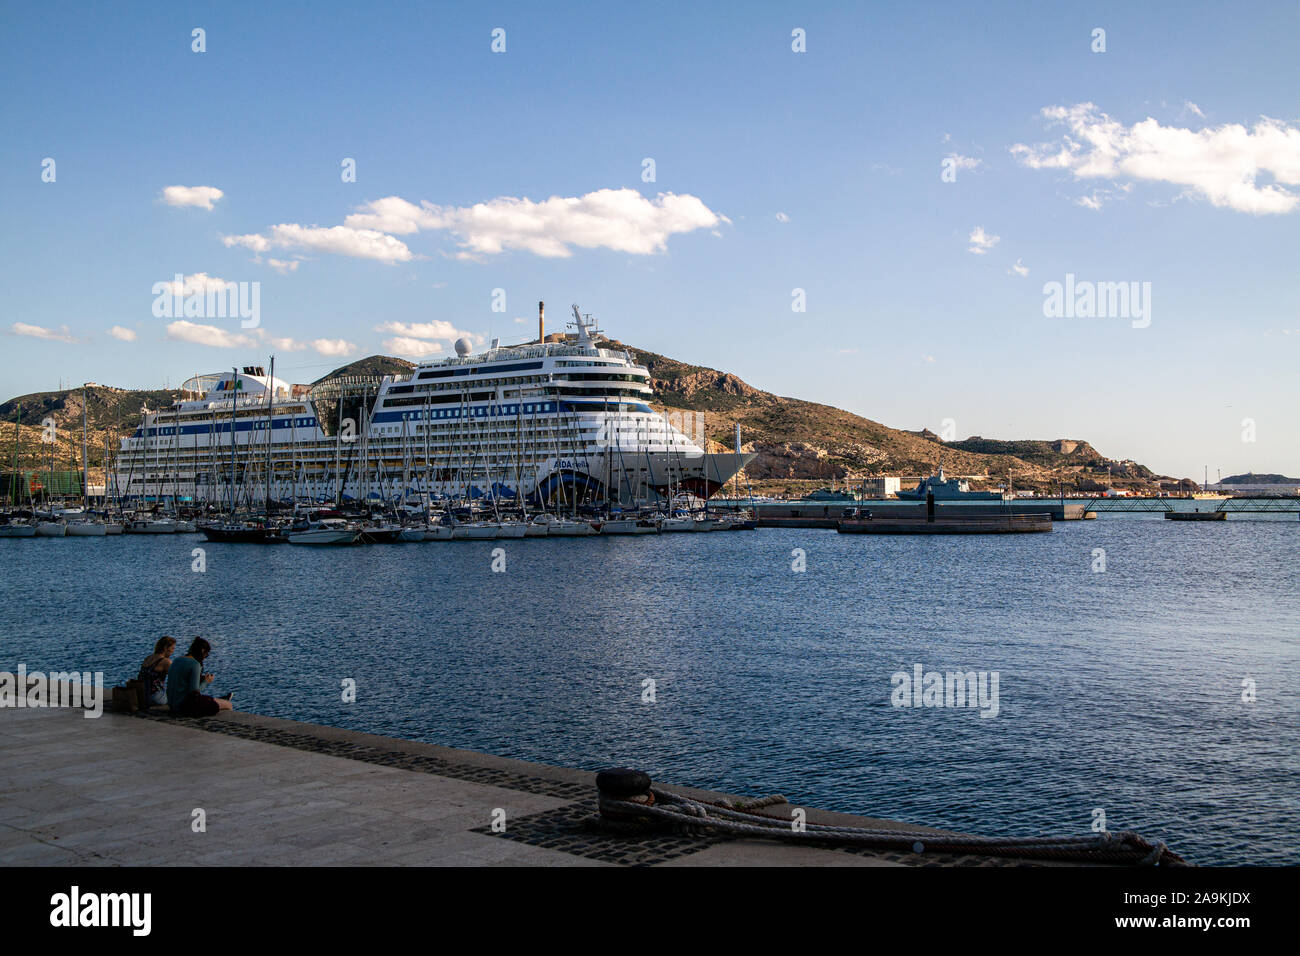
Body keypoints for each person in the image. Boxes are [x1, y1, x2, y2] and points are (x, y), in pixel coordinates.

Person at [165, 637, 234, 717]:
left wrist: (199, 678)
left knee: (215, 701)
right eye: (206, 654)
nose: (205, 657)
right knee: (228, 705)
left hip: (172, 704)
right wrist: (206, 682)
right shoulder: (195, 664)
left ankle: (220, 700)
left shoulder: (177, 660)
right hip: (184, 707)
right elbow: (194, 693)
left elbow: (181, 682)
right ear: (202, 651)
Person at [138, 636, 176, 707]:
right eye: (172, 648)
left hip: (142, 695)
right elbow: (176, 679)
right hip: (155, 697)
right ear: (165, 648)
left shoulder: (148, 658)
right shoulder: (166, 661)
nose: (173, 651)